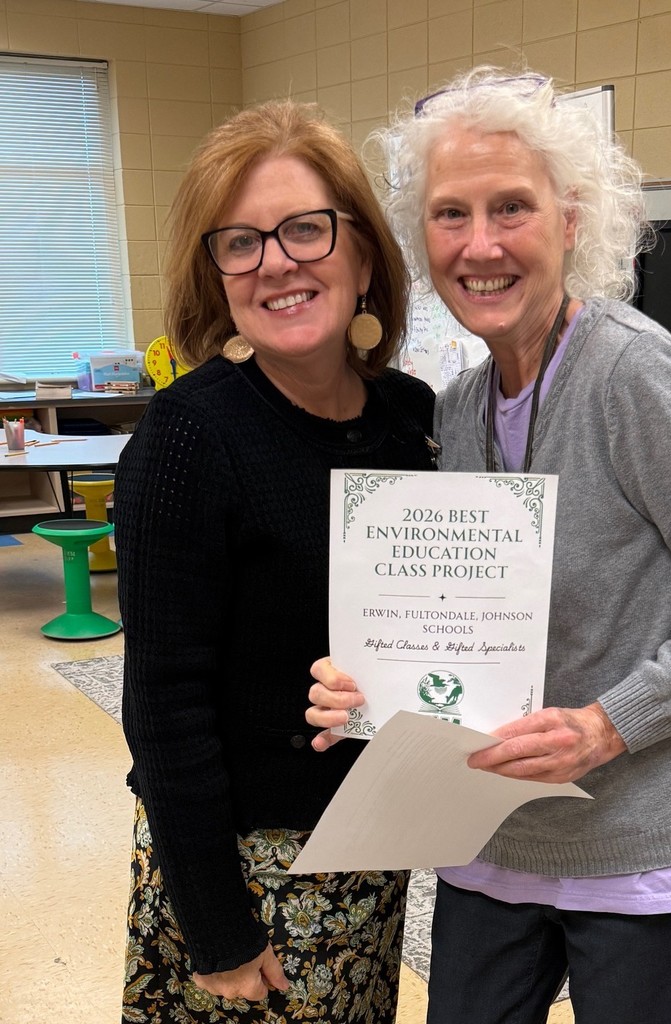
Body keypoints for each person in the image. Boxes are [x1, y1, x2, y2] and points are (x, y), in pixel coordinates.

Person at [307, 67, 671, 1024]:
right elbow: (458, 616)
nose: (481, 244)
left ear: (572, 222)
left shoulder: (635, 376)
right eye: (451, 216)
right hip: (488, 835)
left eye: (512, 208)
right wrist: (375, 680)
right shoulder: (455, 409)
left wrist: (606, 724)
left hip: (638, 847)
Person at [113, 99, 435, 1024]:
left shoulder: (408, 419)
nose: (277, 263)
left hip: (373, 842)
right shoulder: (188, 439)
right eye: (241, 242)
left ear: (364, 252)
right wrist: (216, 929)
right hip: (245, 870)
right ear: (216, 276)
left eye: (305, 229)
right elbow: (163, 707)